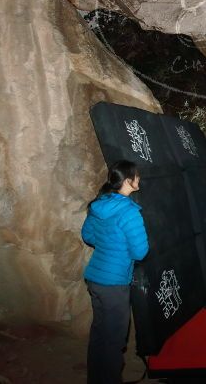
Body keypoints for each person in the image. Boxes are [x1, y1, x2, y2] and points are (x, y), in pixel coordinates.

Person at [81, 160, 149, 384]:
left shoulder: (98, 205)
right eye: (137, 176)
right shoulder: (129, 212)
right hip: (114, 284)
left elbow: (89, 236)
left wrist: (109, 241)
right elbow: (140, 252)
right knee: (113, 340)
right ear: (128, 181)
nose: (139, 179)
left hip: (95, 278)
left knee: (100, 333)